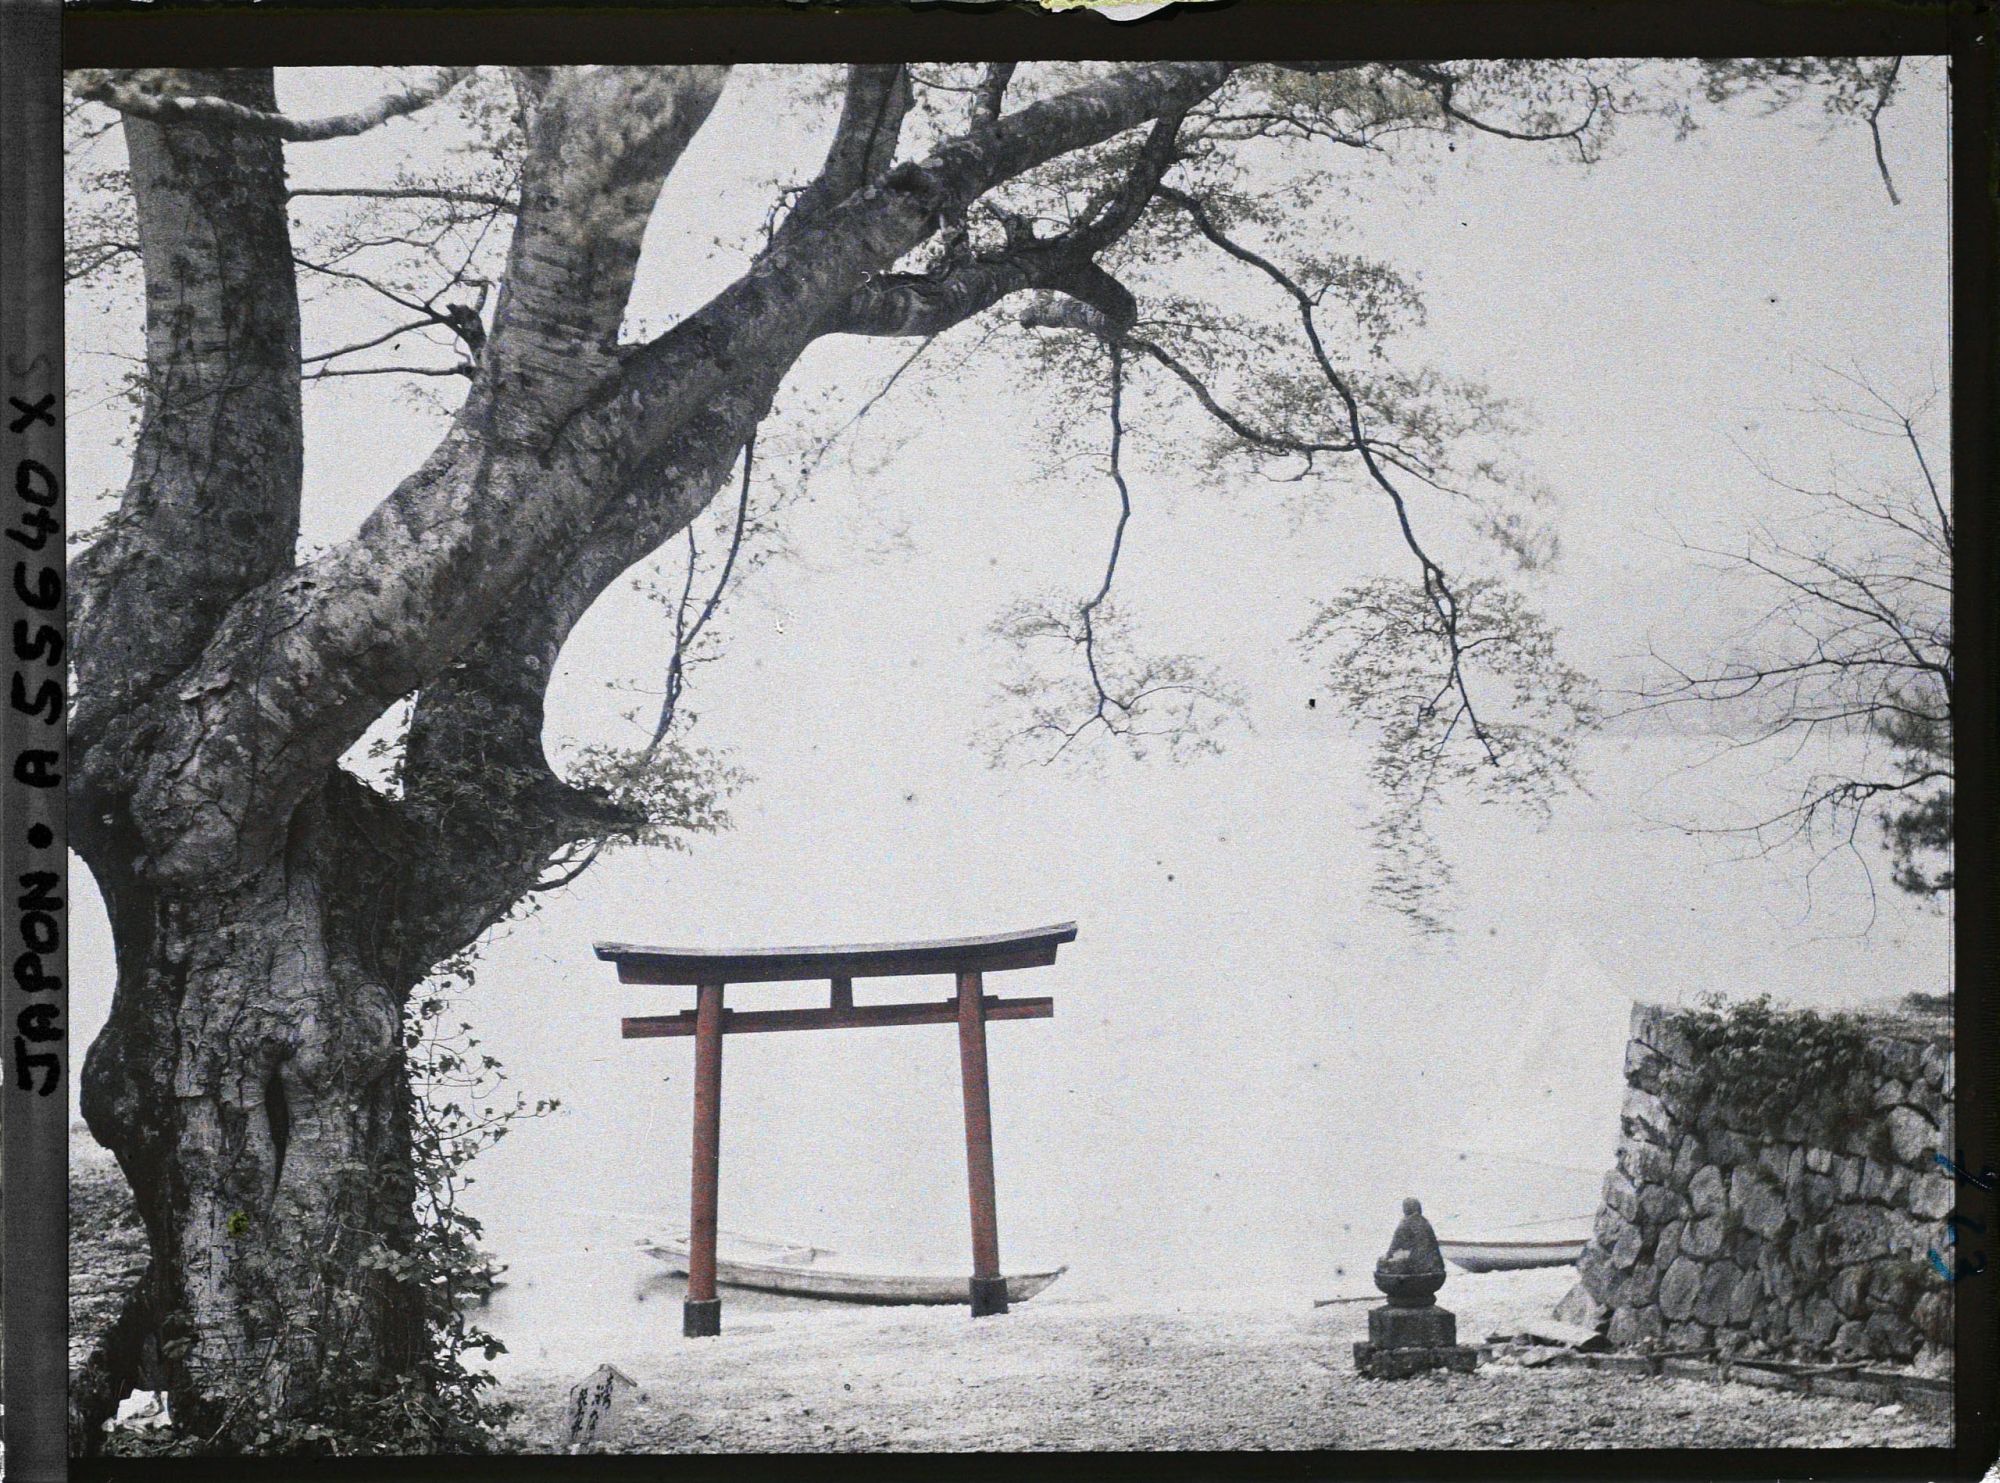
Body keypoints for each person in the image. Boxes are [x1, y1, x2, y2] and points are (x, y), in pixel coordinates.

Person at [1378, 1197, 1445, 1276]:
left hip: (1416, 1268)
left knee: (1382, 1263)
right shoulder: (1425, 1223)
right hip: (1436, 1268)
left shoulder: (1405, 1223)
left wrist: (1386, 1258)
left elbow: (1394, 1247)